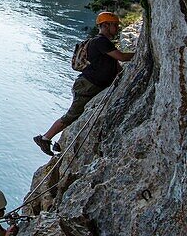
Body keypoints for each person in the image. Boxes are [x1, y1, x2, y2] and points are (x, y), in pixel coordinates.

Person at [33, 11, 134, 156]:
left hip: (90, 84)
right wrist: (140, 53)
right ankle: (45, 138)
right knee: (72, 115)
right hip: (88, 85)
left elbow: (115, 64)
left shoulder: (103, 43)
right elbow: (122, 57)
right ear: (105, 25)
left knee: (78, 115)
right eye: (115, 25)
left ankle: (59, 143)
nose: (117, 28)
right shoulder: (100, 42)